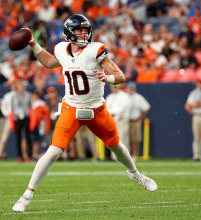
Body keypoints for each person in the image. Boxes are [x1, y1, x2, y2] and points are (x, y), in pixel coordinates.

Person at [12, 14, 157, 212]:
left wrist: (106, 78)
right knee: (53, 151)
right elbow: (49, 63)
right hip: (71, 108)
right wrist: (33, 43)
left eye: (85, 30)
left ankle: (135, 174)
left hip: (97, 109)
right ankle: (26, 195)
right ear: (69, 32)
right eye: (79, 30)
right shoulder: (61, 49)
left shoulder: (96, 50)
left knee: (116, 146)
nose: (83, 34)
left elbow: (120, 76)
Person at [126, 82, 151, 161]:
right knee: (125, 138)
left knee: (135, 139)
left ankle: (134, 155)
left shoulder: (138, 97)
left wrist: (140, 117)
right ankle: (126, 155)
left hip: (134, 120)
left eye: (132, 88)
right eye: (129, 88)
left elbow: (146, 107)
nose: (131, 90)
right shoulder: (124, 96)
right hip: (125, 120)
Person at [106, 84, 131, 160]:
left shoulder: (124, 96)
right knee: (113, 139)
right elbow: (106, 108)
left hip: (122, 119)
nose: (114, 89)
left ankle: (125, 157)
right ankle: (115, 157)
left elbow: (125, 107)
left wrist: (114, 112)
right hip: (112, 120)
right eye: (113, 87)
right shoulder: (110, 97)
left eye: (115, 87)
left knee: (123, 138)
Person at [10, 80, 33, 163]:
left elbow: (30, 107)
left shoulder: (28, 95)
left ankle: (29, 155)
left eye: (22, 87)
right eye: (19, 87)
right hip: (17, 118)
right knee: (18, 137)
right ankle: (20, 156)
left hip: (26, 117)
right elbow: (12, 108)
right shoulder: (13, 96)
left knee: (28, 137)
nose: (21, 88)